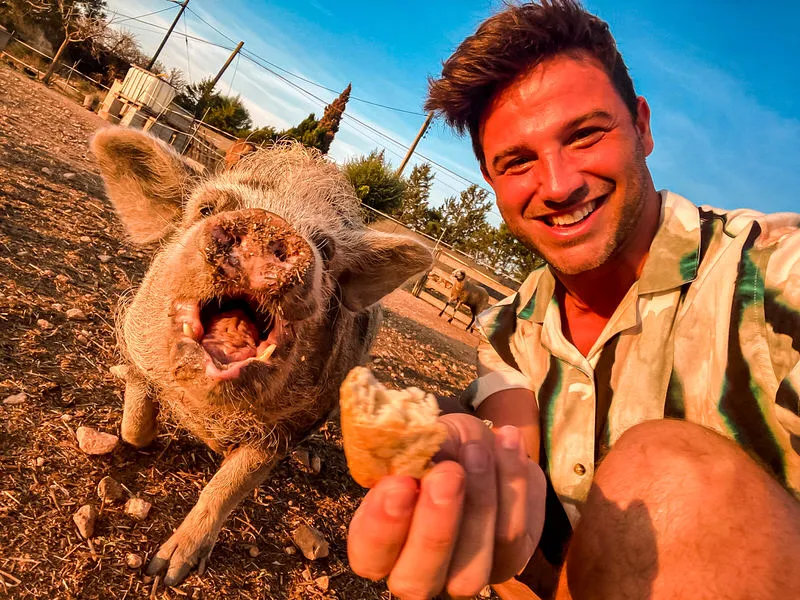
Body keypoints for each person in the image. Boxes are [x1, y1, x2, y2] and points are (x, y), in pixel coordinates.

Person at [347, 1, 800, 599]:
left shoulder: (771, 278)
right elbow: (511, 444)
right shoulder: (508, 334)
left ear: (641, 126)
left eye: (586, 134)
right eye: (517, 162)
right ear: (491, 180)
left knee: (667, 473)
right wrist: (464, 465)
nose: (558, 185)